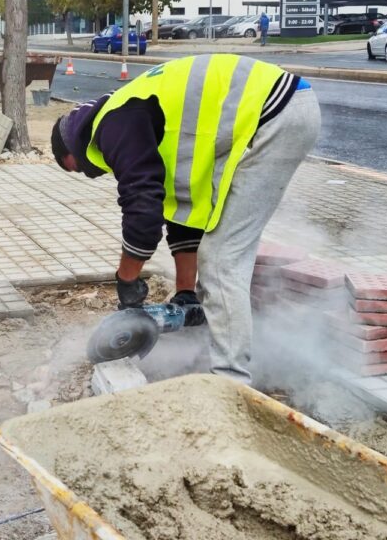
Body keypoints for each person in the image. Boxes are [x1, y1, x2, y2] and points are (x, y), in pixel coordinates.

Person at [50, 55, 320, 383]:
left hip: (277, 113)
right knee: (216, 251)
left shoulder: (115, 124)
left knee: (222, 260)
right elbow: (185, 216)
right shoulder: (136, 118)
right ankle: (211, 328)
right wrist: (185, 293)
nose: (85, 171)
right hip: (282, 107)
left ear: (69, 152)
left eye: (73, 167)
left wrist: (127, 279)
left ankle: (229, 381)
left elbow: (142, 213)